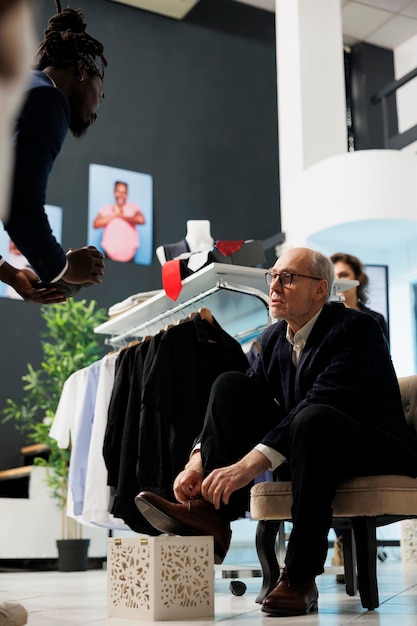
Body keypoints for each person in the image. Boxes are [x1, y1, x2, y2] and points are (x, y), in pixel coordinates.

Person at [136, 246, 417, 617]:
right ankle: (211, 517)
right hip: (310, 447)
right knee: (230, 384)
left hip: (370, 449)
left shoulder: (356, 329)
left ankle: (300, 577)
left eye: (288, 278)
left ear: (320, 290)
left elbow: (322, 400)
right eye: (273, 276)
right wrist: (197, 462)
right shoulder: (272, 341)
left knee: (313, 416)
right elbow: (240, 407)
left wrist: (246, 468)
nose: (274, 286)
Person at [3, 0, 107, 298]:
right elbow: (20, 206)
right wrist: (64, 269)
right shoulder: (48, 100)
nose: (97, 112)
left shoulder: (23, 89)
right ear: (82, 70)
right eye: (101, 94)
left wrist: (11, 275)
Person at [330, 251, 389, 581]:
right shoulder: (327, 319)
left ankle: (354, 550)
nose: (339, 279)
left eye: (343, 273)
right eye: (333, 273)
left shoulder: (371, 320)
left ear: (356, 279)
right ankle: (342, 547)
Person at [331, 251, 389, 340]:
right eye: (333, 277)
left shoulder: (376, 320)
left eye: (343, 275)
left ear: (357, 278)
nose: (338, 281)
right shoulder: (321, 319)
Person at [93, 181, 145, 262]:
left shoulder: (133, 207)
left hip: (130, 259)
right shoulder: (106, 208)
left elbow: (141, 220)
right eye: (119, 192)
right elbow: (96, 224)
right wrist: (114, 214)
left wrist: (120, 215)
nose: (121, 195)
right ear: (114, 192)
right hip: (108, 257)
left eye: (124, 192)